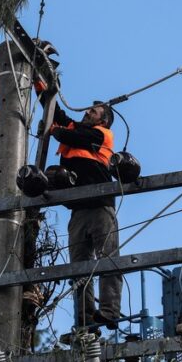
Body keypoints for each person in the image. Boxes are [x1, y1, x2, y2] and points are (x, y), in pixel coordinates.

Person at [47, 101, 122, 332]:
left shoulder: (102, 135)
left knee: (107, 258)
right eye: (88, 108)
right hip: (78, 210)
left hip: (100, 206)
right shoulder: (76, 128)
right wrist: (44, 88)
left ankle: (109, 311)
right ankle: (85, 319)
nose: (87, 111)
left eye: (94, 111)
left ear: (103, 120)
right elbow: (56, 114)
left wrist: (55, 131)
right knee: (79, 268)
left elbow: (75, 137)